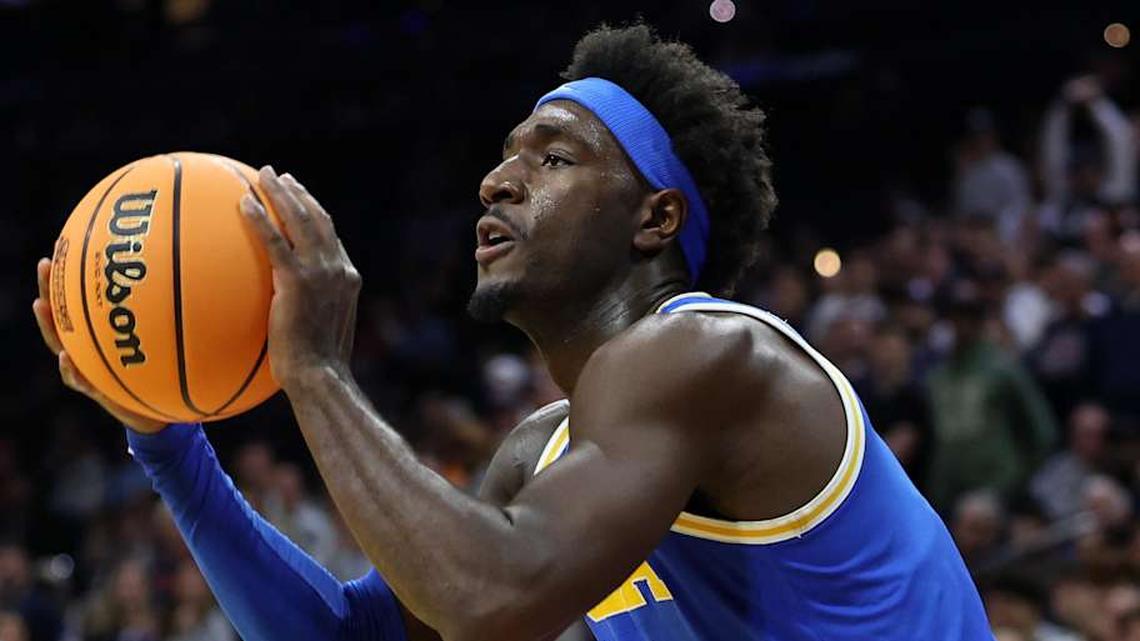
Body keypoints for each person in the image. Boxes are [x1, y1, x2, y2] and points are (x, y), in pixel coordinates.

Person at [31, 24, 990, 641]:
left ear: (654, 219)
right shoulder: (542, 455)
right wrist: (166, 440)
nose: (497, 181)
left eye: (554, 158)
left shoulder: (712, 352)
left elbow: (492, 598)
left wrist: (315, 369)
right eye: (504, 158)